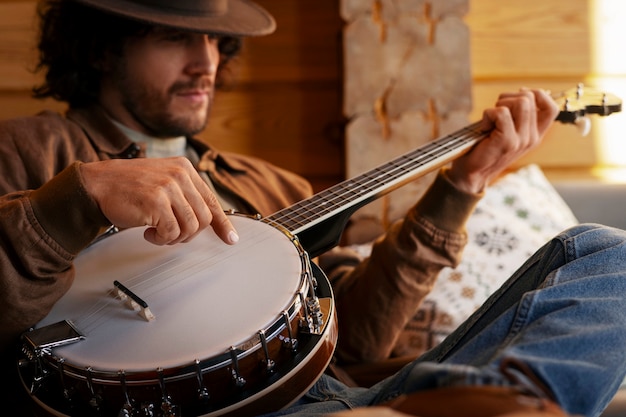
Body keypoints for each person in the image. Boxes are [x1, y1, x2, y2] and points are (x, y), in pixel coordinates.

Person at [0, 0, 625, 416]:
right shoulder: (32, 150)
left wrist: (462, 185)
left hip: (349, 402)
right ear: (102, 47)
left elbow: (351, 340)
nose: (207, 62)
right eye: (174, 37)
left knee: (610, 254)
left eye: (215, 40)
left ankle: (514, 401)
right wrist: (74, 201)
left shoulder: (271, 188)